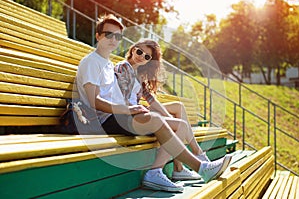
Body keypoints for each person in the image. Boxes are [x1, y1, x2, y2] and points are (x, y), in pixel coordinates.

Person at [76, 14, 232, 193]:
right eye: (108, 34)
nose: (113, 40)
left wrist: (132, 109)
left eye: (118, 36)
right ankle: (200, 167)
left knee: (180, 125)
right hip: (105, 120)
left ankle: (160, 171)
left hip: (119, 115)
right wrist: (129, 109)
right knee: (158, 120)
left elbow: (132, 97)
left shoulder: (107, 64)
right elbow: (94, 101)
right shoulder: (92, 62)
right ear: (98, 36)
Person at [114, 39, 227, 190]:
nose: (142, 57)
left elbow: (152, 100)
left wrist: (167, 118)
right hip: (127, 114)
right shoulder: (124, 67)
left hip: (138, 111)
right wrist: (163, 119)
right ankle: (185, 162)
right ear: (133, 49)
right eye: (140, 52)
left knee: (178, 112)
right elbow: (121, 98)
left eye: (147, 57)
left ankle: (181, 165)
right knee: (180, 125)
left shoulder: (139, 74)